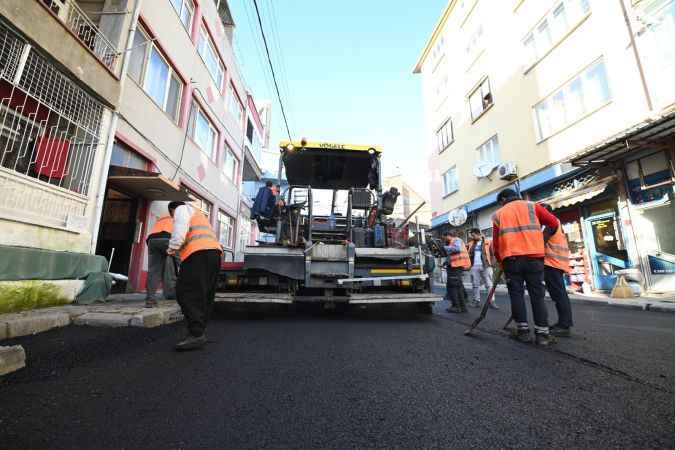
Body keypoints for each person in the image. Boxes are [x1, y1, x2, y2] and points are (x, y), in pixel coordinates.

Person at [492, 188, 559, 346]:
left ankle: (523, 332)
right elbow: (553, 223)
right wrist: (541, 240)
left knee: (516, 295)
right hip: (534, 257)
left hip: (511, 260)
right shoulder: (532, 206)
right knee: (537, 295)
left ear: (503, 200)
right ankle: (542, 335)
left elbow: (496, 245)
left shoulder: (498, 214)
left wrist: (501, 261)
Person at [168, 201, 222, 351]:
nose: (173, 219)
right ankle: (199, 331)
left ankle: (196, 334)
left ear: (172, 210)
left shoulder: (181, 209)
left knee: (185, 292)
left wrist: (172, 248)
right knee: (205, 293)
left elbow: (179, 230)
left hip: (198, 254)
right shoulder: (198, 214)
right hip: (214, 253)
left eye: (172, 216)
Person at [541, 203, 574, 337]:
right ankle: (563, 323)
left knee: (559, 295)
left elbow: (540, 241)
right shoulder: (555, 222)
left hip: (552, 264)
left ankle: (564, 326)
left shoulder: (550, 223)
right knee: (559, 294)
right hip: (555, 263)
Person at [145, 209, 176, 307]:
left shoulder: (164, 215)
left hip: (152, 240)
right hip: (168, 238)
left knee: (153, 271)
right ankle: (183, 295)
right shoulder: (181, 216)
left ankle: (150, 300)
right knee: (182, 265)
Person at [467, 228, 498, 309]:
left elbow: (493, 253)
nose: (472, 237)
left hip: (486, 266)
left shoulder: (488, 242)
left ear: (478, 234)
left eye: (473, 235)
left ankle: (491, 301)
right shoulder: (470, 243)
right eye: (471, 235)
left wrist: (492, 264)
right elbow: (468, 254)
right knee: (475, 284)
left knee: (489, 284)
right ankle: (476, 301)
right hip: (474, 266)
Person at [444, 230, 471, 313]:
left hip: (457, 266)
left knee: (454, 287)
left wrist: (444, 247)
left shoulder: (456, 240)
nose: (445, 239)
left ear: (448, 235)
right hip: (456, 266)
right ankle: (462, 307)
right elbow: (453, 254)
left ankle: (456, 306)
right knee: (458, 287)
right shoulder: (454, 241)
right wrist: (446, 262)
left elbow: (456, 249)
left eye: (444, 237)